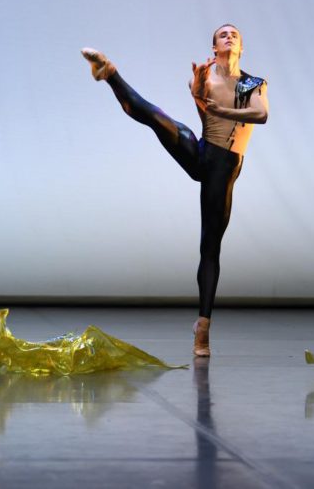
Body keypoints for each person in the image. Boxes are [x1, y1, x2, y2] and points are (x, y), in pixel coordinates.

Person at [80, 24, 268, 356]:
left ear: (241, 48)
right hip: (203, 152)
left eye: (234, 35)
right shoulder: (207, 77)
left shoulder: (252, 83)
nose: (229, 37)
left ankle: (203, 326)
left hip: (224, 169)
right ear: (214, 48)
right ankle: (108, 72)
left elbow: (260, 113)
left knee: (210, 246)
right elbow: (207, 120)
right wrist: (198, 94)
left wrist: (221, 109)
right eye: (223, 35)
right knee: (158, 119)